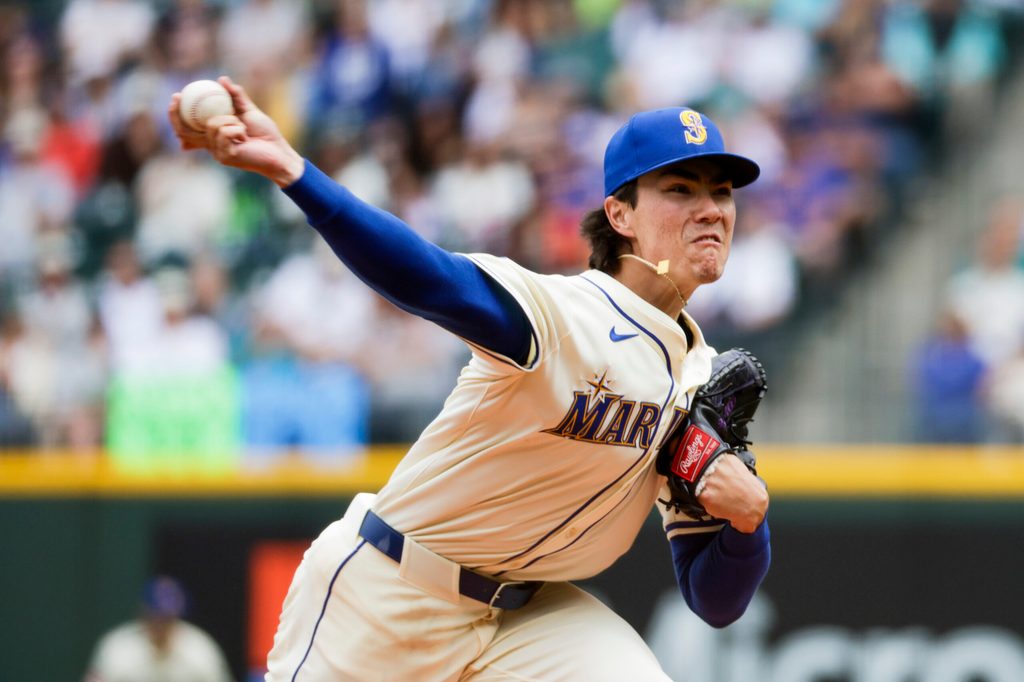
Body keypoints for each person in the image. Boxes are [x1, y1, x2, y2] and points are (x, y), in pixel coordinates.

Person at [169, 77, 771, 681]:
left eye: (721, 192)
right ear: (620, 214)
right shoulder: (566, 316)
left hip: (527, 620)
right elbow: (428, 279)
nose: (711, 209)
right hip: (393, 593)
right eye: (680, 188)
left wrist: (747, 523)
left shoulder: (700, 378)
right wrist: (297, 174)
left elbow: (714, 599)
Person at [83, 575, 232, 682]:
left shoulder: (200, 649)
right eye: (156, 617)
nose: (162, 624)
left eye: (167, 618)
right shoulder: (118, 648)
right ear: (143, 614)